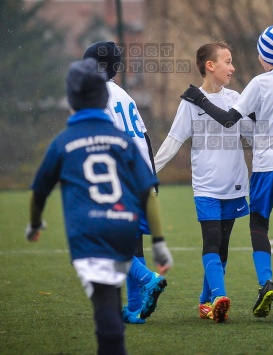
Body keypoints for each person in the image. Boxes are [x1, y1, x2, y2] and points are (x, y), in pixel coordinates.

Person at [25, 58, 173, 354]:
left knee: (105, 305)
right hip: (123, 216)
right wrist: (159, 241)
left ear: (71, 100)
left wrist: (35, 223)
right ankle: (134, 306)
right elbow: (146, 188)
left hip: (87, 232)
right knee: (123, 261)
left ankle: (143, 284)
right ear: (105, 96)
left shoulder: (64, 142)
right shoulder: (121, 139)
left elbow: (39, 191)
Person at [180, 25, 273, 323]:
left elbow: (230, 119)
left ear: (265, 55)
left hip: (268, 167)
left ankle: (266, 283)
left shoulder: (259, 83)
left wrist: (200, 99)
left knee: (258, 223)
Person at [154, 41, 251, 323]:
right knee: (211, 240)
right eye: (227, 61)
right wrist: (150, 172)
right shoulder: (189, 103)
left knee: (223, 247)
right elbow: (173, 141)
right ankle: (220, 296)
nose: (233, 67)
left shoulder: (236, 99)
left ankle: (204, 302)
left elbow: (252, 135)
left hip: (234, 185)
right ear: (210, 66)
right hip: (206, 187)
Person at [83, 41, 168, 324]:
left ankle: (149, 278)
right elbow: (145, 137)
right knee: (133, 246)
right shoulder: (123, 95)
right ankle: (134, 309)